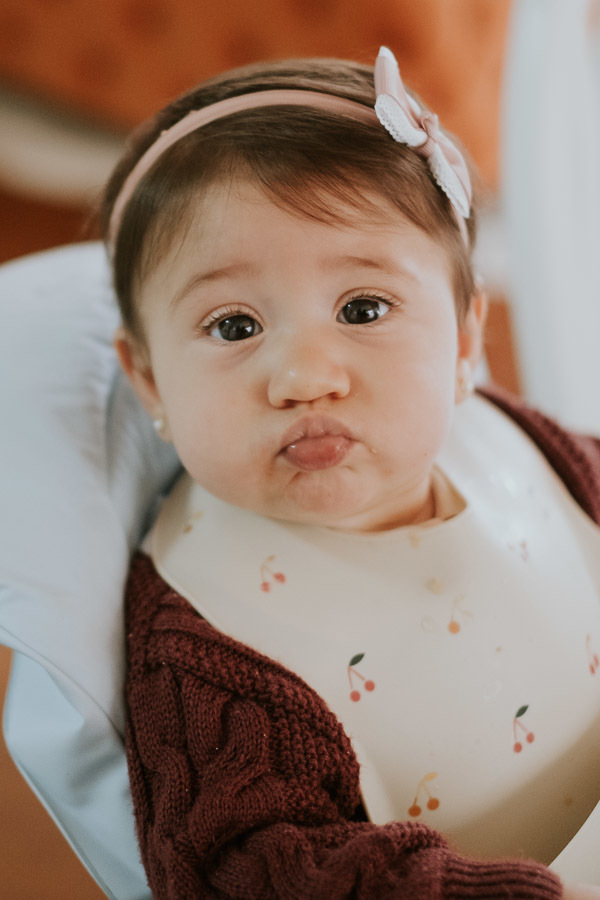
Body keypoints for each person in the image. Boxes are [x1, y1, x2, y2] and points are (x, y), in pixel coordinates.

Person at [101, 46, 600, 899]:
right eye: (232, 326)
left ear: (466, 339)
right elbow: (254, 872)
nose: (304, 377)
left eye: (363, 309)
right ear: (147, 378)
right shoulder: (210, 654)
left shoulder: (521, 445)